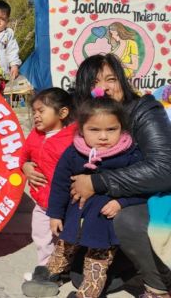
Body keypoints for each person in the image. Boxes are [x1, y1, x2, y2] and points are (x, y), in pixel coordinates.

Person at [30, 54, 171, 297]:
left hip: (150, 197)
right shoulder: (86, 122)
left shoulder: (143, 110)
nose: (103, 88)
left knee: (125, 222)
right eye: (95, 82)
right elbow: (63, 168)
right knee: (79, 274)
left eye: (111, 79)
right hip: (103, 202)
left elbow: (164, 168)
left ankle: (158, 285)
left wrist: (98, 182)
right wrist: (28, 166)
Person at [23, 93, 147, 298]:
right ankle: (48, 276)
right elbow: (60, 186)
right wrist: (55, 214)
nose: (103, 136)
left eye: (111, 129)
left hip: (103, 224)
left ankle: (88, 293)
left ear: (122, 128)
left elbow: (141, 187)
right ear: (81, 130)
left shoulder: (130, 154)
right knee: (63, 248)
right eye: (94, 130)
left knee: (97, 263)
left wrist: (122, 202)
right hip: (75, 216)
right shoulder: (74, 153)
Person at [19, 88, 76, 272]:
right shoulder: (35, 135)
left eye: (41, 111)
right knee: (41, 235)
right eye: (34, 111)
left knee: (65, 237)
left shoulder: (73, 139)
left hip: (67, 203)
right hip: (42, 203)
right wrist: (26, 167)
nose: (36, 116)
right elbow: (23, 157)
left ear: (63, 113)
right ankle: (45, 268)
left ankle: (65, 266)